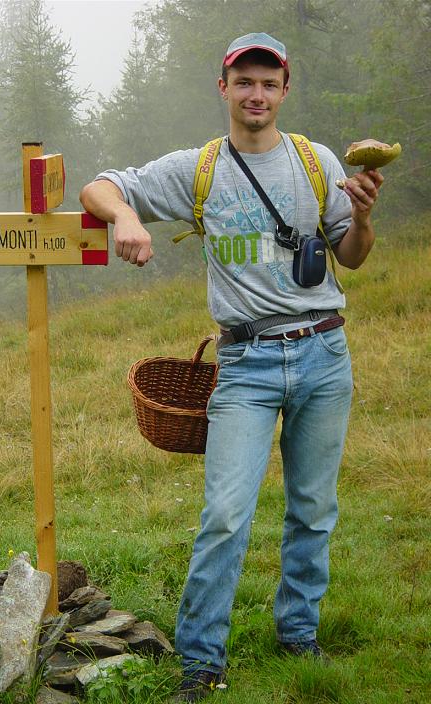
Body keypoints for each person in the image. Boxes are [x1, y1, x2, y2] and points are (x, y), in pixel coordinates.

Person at [80, 32, 383, 702]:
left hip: (324, 352)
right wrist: (127, 218)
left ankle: (298, 634)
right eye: (244, 82)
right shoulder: (200, 168)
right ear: (224, 88)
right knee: (225, 513)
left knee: (313, 508)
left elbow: (352, 256)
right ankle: (201, 661)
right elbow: (99, 187)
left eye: (269, 83)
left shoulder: (317, 162)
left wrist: (362, 217)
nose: (256, 94)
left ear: (284, 90)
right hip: (245, 362)